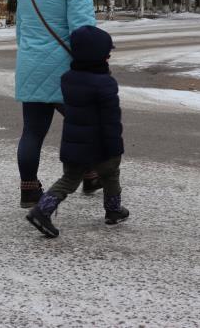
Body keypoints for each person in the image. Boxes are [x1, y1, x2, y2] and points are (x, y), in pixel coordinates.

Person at [15, 0, 98, 208]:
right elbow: (83, 32)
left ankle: (29, 189)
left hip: (31, 66)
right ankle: (90, 173)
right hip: (66, 71)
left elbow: (21, 32)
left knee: (32, 132)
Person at [26, 25, 128, 238]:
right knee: (111, 174)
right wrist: (115, 147)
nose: (109, 56)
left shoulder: (68, 79)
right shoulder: (105, 84)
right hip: (100, 145)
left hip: (74, 143)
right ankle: (113, 210)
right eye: (107, 53)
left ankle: (42, 210)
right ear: (98, 57)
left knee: (69, 179)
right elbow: (110, 121)